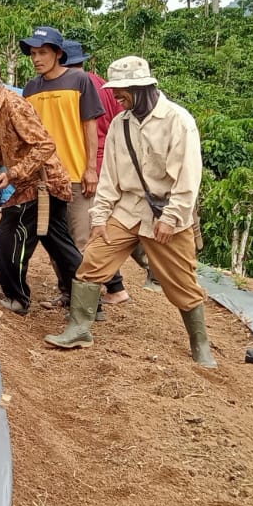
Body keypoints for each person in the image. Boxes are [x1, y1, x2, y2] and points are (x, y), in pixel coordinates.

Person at [44, 56, 215, 368]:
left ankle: (200, 344)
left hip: (167, 210)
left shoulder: (178, 121)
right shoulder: (120, 124)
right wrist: (99, 217)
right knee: (93, 261)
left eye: (122, 91)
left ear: (141, 87)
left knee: (182, 284)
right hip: (127, 208)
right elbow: (109, 177)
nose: (116, 96)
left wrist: (172, 218)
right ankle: (79, 328)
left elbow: (189, 178)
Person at [0, 59, 84, 316]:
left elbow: (45, 145)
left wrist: (14, 173)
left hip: (42, 185)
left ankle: (17, 298)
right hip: (34, 183)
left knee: (5, 236)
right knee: (59, 245)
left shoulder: (14, 106)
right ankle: (90, 301)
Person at [19, 27, 127, 312]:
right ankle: (67, 292)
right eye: (33, 54)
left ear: (58, 54)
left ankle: (89, 306)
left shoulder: (80, 81)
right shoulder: (31, 88)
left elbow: (90, 127)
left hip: (76, 175)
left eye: (43, 52)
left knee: (80, 241)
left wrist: (91, 169)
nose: (36, 59)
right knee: (53, 239)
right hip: (44, 178)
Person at [62, 39, 157, 294]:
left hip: (90, 164)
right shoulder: (104, 85)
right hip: (114, 161)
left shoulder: (75, 87)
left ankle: (110, 289)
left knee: (89, 232)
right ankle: (142, 273)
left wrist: (90, 167)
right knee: (120, 221)